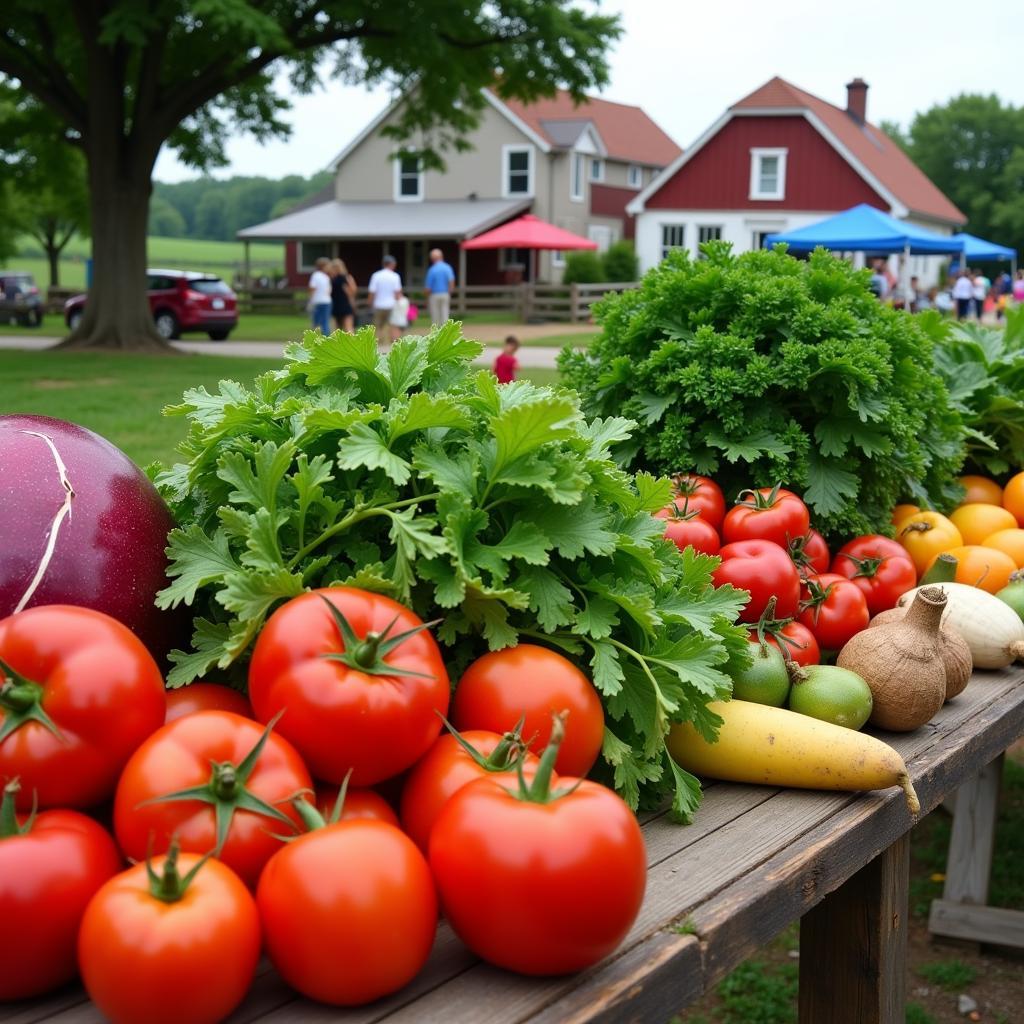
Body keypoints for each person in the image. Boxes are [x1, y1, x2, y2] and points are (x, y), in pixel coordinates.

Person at [368, 255, 402, 343]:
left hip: (378, 304)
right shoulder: (395, 276)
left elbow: (372, 291)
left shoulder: (376, 275)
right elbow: (398, 293)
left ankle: (378, 343)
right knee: (392, 325)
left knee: (377, 326)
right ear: (392, 264)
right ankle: (392, 343)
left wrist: (370, 302)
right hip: (391, 305)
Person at [424, 248, 456, 326]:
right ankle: (445, 333)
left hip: (434, 295)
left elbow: (428, 287)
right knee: (445, 315)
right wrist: (450, 291)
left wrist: (426, 297)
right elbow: (451, 281)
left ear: (432, 258)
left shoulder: (432, 269)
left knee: (435, 316)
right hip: (445, 293)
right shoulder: (447, 267)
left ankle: (436, 334)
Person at [329, 258, 356, 333]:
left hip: (336, 305)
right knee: (348, 327)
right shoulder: (347, 277)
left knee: (338, 329)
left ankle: (339, 343)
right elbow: (353, 291)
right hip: (345, 304)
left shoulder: (333, 280)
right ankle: (352, 343)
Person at [308, 256, 332, 335]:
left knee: (317, 322)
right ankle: (325, 337)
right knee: (325, 322)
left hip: (318, 301)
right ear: (323, 266)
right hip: (325, 301)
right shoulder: (325, 277)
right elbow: (328, 290)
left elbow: (312, 289)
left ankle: (317, 338)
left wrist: (310, 300)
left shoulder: (316, 276)